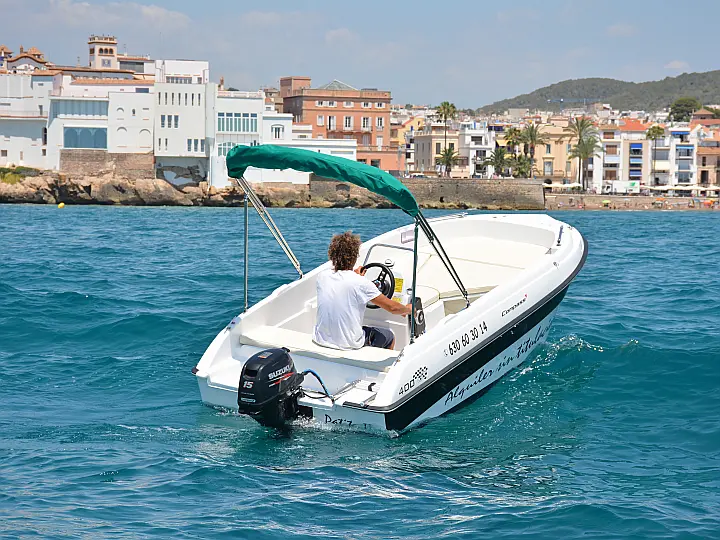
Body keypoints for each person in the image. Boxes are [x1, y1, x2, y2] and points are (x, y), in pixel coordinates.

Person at [313, 231, 411, 351]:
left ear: (331, 255)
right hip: (348, 344)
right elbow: (393, 308)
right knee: (389, 336)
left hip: (320, 339)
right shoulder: (361, 283)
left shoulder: (322, 277)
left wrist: (357, 278)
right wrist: (408, 309)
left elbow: (344, 286)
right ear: (354, 257)